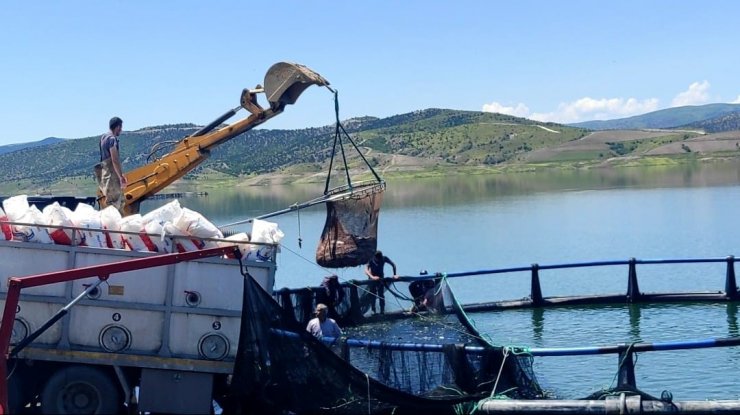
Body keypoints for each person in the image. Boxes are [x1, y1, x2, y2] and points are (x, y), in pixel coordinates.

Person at [96, 116, 127, 211]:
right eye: (120, 128)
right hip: (112, 176)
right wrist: (121, 176)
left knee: (110, 202)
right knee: (116, 203)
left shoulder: (103, 137)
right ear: (117, 127)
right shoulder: (112, 139)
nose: (121, 130)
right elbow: (114, 160)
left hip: (104, 174)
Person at [364, 250, 398, 314]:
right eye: (377, 259)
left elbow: (393, 264)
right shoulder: (370, 260)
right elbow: (366, 270)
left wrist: (395, 274)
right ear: (374, 257)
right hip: (372, 280)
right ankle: (373, 311)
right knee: (372, 295)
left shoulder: (384, 258)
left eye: (380, 259)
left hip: (380, 279)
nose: (379, 260)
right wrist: (372, 277)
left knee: (381, 295)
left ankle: (382, 311)